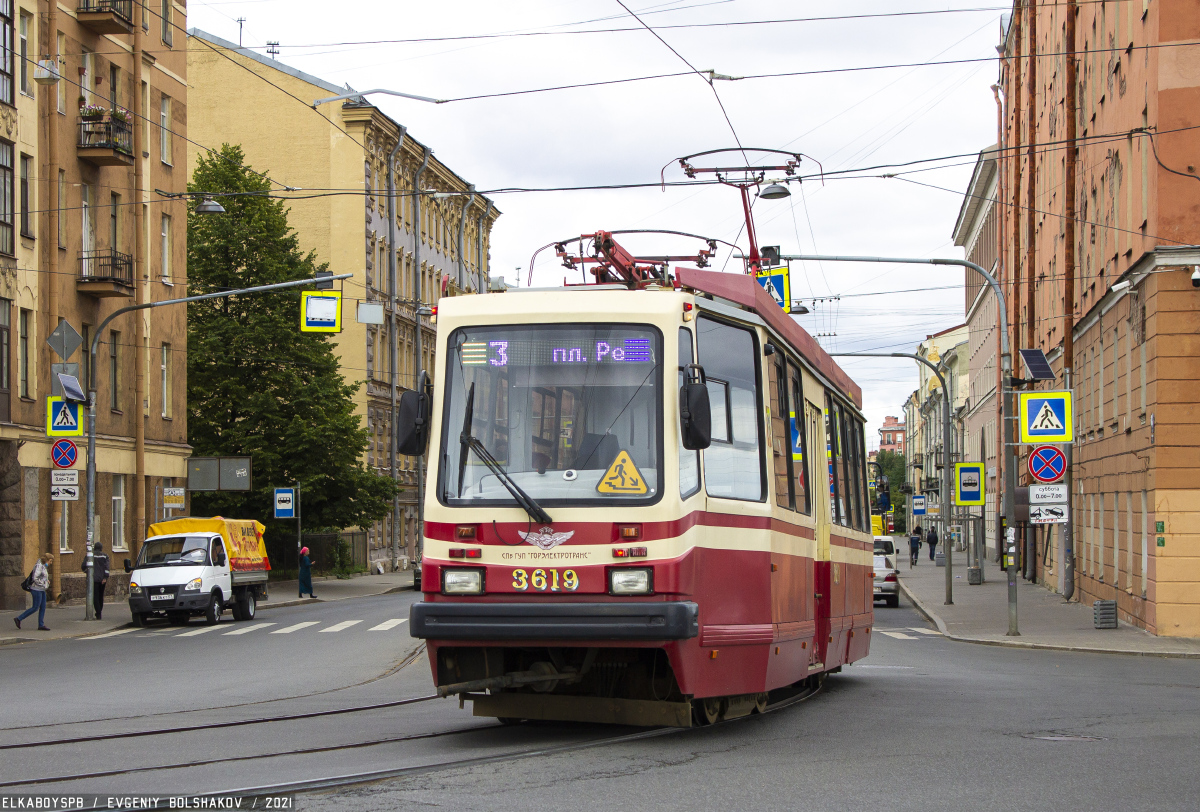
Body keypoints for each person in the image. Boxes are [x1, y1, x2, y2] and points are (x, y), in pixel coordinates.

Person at [14, 554, 53, 631]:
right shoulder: (39, 566)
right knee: (35, 607)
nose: (51, 563)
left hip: (41, 589)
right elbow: (35, 578)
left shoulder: (44, 566)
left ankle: (41, 625)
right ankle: (19, 618)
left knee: (43, 607)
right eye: (50, 561)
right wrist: (44, 582)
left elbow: (43, 577)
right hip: (36, 589)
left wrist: (46, 581)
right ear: (46, 560)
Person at [82, 542, 110, 619]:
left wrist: (87, 572)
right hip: (102, 579)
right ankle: (99, 611)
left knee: (95, 596)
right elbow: (107, 568)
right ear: (101, 548)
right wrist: (105, 577)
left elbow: (83, 565)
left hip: (93, 579)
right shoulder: (105, 556)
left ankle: (98, 613)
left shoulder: (90, 555)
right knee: (101, 596)